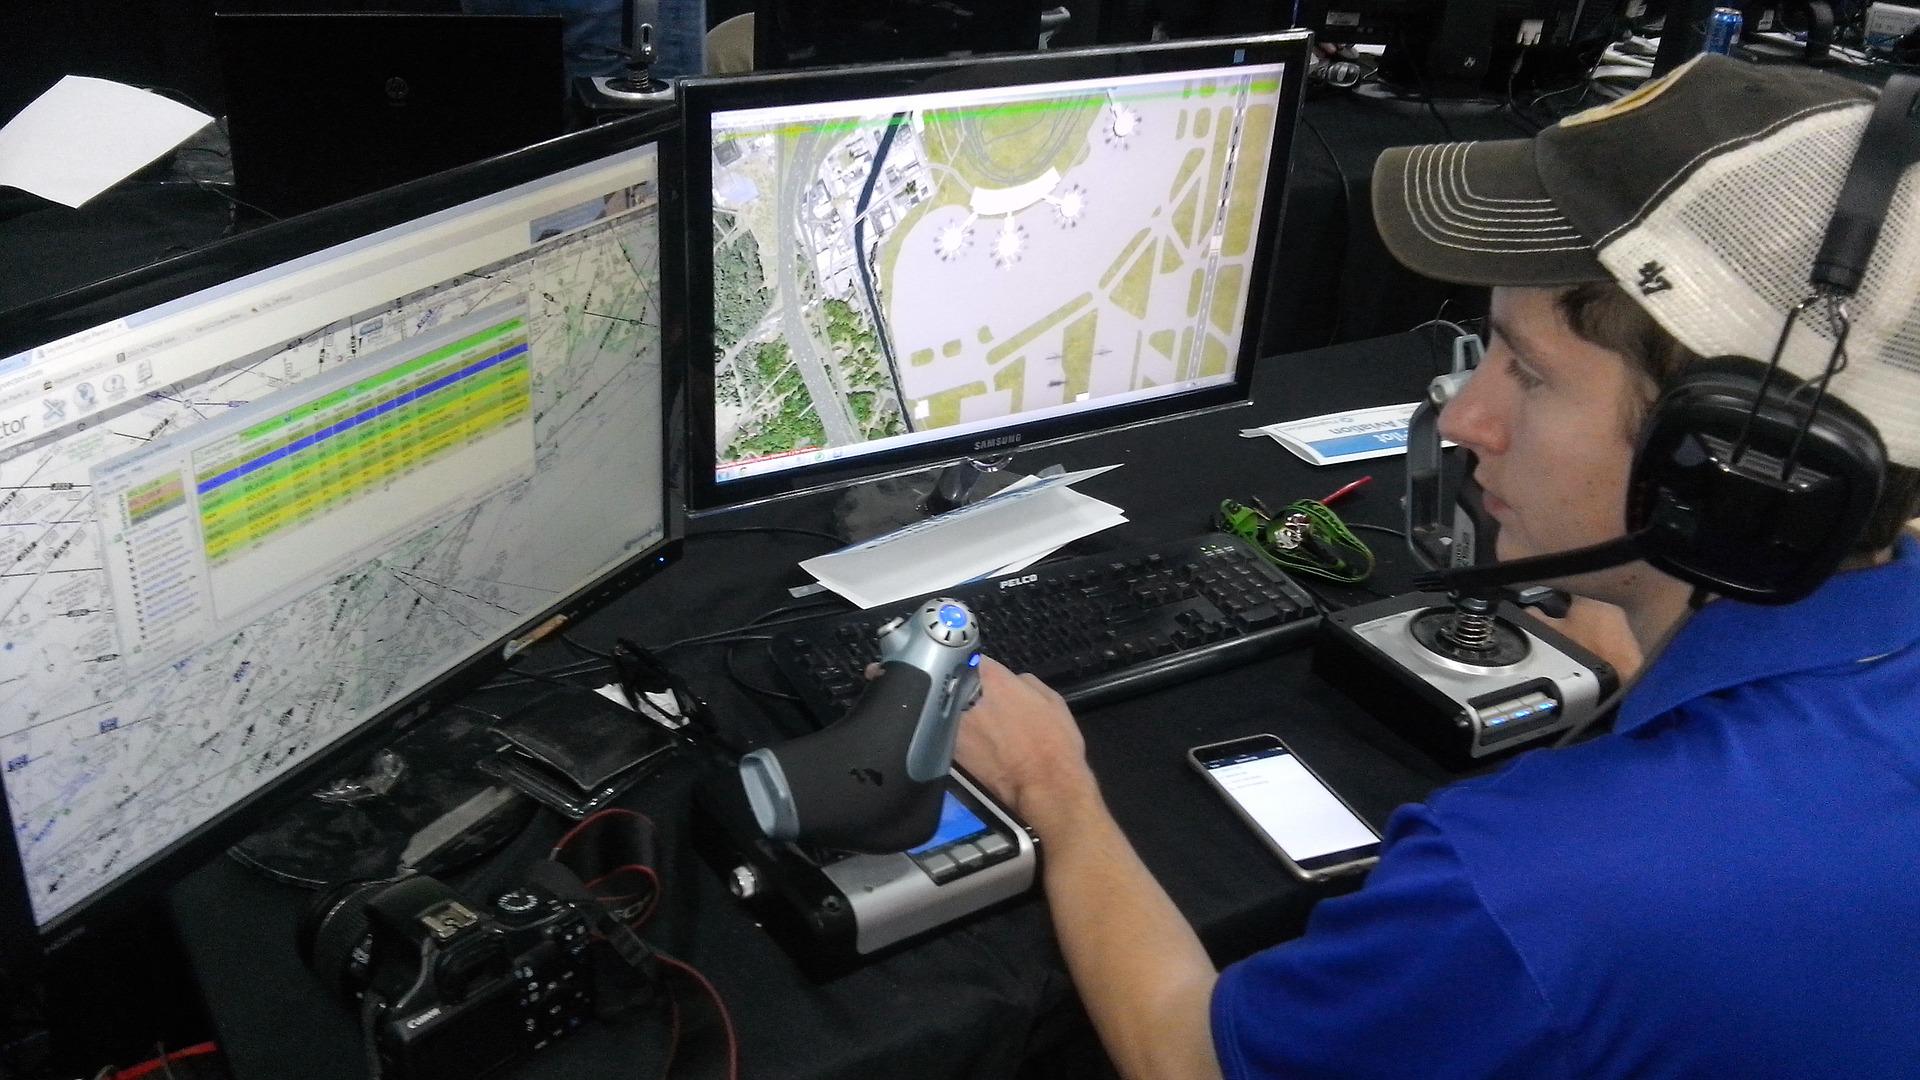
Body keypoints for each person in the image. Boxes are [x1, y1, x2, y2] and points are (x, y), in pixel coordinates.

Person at [956, 54, 1920, 1080]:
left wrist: (1054, 791)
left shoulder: (1534, 889)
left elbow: (1189, 1057)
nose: (1465, 418)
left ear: (1732, 465)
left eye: (1529, 373)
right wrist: (1650, 633)